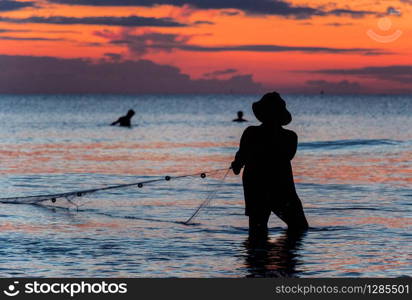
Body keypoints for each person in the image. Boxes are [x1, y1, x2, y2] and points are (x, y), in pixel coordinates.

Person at [231, 92, 308, 236]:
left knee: (257, 230)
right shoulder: (290, 137)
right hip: (282, 185)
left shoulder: (251, 133)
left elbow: (239, 163)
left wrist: (237, 164)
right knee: (299, 228)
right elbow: (287, 156)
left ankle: (256, 256)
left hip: (256, 185)